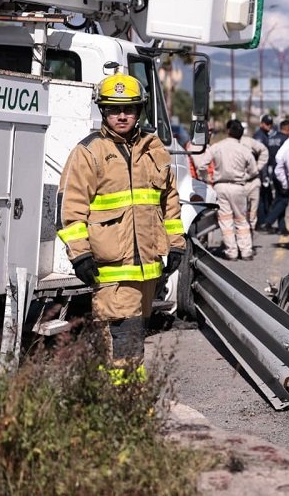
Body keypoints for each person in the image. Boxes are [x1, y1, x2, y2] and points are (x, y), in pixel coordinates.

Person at [57, 73, 185, 366]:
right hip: (111, 269)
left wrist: (176, 244)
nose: (122, 115)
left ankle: (129, 403)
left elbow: (170, 202)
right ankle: (121, 404)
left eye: (129, 108)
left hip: (148, 272)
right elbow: (71, 209)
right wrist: (80, 256)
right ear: (103, 110)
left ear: (140, 110)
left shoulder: (154, 149)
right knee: (119, 347)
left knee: (133, 343)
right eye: (113, 109)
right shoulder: (89, 152)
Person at [193, 120, 259, 260]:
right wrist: (243, 176)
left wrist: (207, 178)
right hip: (238, 187)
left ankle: (231, 252)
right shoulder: (244, 149)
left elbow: (202, 165)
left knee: (225, 220)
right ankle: (246, 252)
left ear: (228, 131)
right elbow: (254, 171)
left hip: (220, 186)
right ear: (241, 134)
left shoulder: (217, 147)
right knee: (241, 220)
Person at [230, 119, 268, 253]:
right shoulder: (228, 145)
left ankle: (248, 243)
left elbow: (264, 151)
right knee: (239, 216)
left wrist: (257, 168)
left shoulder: (249, 142)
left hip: (252, 182)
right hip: (237, 184)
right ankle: (238, 244)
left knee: (252, 215)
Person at [257, 119, 289, 234]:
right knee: (283, 201)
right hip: (283, 174)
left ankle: (282, 227)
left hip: (272, 172)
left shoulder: (270, 138)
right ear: (288, 129)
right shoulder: (286, 141)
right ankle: (267, 222)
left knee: (278, 200)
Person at [254, 115, 284, 225]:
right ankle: (261, 221)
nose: (269, 126)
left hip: (266, 170)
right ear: (261, 123)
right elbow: (261, 158)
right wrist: (264, 175)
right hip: (260, 171)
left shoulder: (266, 135)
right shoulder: (259, 137)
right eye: (267, 124)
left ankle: (264, 220)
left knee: (267, 197)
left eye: (270, 124)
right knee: (262, 198)